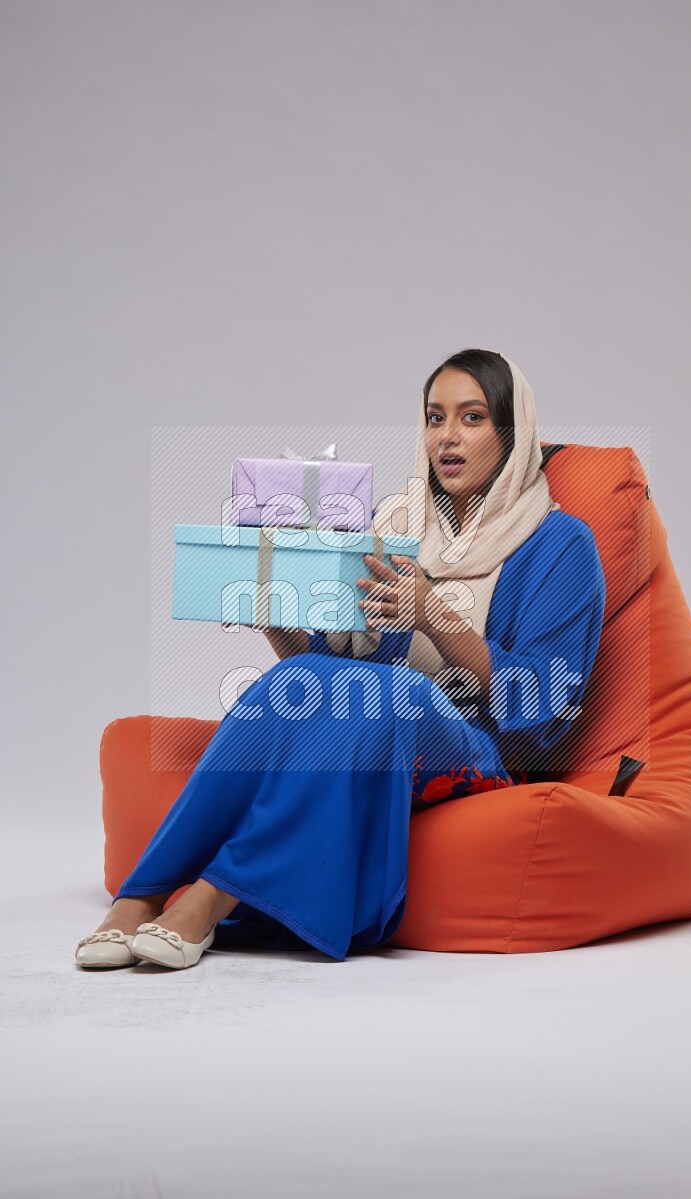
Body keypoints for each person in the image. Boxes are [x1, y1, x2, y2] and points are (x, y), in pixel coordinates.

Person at [75, 348, 606, 970]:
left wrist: (432, 613)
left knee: (384, 694)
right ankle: (139, 896)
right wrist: (274, 614)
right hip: (374, 723)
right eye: (435, 418)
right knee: (299, 682)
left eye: (472, 417)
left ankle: (212, 896)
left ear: (511, 434)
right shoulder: (396, 526)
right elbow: (327, 665)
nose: (448, 437)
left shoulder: (561, 543)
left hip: (479, 749)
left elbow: (547, 703)